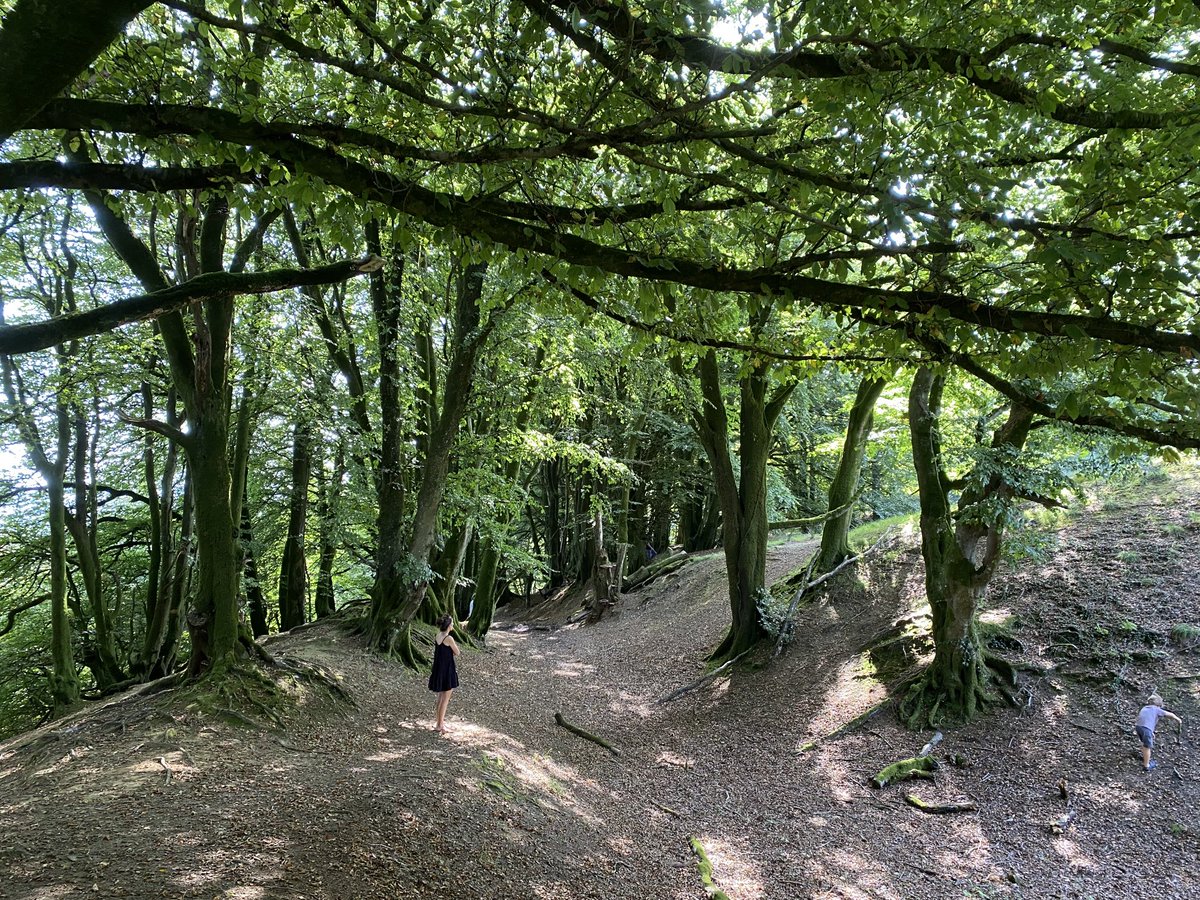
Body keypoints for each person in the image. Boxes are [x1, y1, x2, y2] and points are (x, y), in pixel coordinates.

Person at [428, 614, 460, 734]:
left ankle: (439, 723)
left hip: (439, 669)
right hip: (447, 670)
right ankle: (440, 725)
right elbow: (457, 652)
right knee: (445, 698)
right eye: (452, 623)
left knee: (441, 697)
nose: (453, 625)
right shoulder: (449, 638)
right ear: (448, 625)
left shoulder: (438, 636)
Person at [1134, 693, 1182, 772]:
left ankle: (1144, 756)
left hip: (1139, 727)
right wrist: (1178, 719)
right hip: (1146, 729)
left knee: (1144, 743)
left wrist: (1150, 731)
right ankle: (1146, 765)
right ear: (1158, 705)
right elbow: (1170, 714)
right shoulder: (1156, 709)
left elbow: (1146, 719)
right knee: (1147, 746)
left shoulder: (1145, 708)